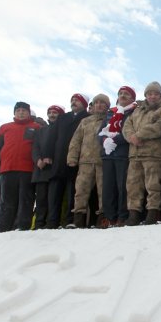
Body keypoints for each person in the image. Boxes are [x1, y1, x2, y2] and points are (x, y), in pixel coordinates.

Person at [123, 82, 161, 225]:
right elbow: (127, 125)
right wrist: (131, 137)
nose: (153, 96)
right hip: (135, 154)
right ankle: (134, 215)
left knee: (153, 185)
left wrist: (140, 135)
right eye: (150, 94)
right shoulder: (137, 110)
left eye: (156, 94)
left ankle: (153, 213)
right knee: (132, 186)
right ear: (146, 95)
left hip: (154, 154)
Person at [0, 102, 40, 232]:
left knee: (26, 199)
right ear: (14, 113)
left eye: (24, 110)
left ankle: (22, 226)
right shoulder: (5, 127)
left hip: (28, 169)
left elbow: (40, 147)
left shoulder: (37, 127)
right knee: (6, 200)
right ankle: (1, 227)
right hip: (8, 169)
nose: (21, 112)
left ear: (29, 113)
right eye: (18, 110)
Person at [43, 93, 90, 228]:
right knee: (54, 194)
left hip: (77, 161)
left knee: (73, 193)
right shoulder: (63, 118)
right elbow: (52, 136)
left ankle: (69, 221)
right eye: (72, 100)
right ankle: (52, 222)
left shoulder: (87, 118)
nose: (74, 102)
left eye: (77, 100)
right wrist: (48, 154)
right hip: (58, 160)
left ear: (84, 104)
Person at [67, 94, 110, 228]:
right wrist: (72, 157)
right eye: (96, 103)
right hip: (85, 162)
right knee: (80, 191)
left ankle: (103, 219)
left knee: (104, 191)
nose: (99, 105)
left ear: (107, 106)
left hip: (103, 161)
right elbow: (76, 140)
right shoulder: (85, 121)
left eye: (102, 103)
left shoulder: (110, 120)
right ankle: (78, 220)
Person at [98, 86, 137, 227]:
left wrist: (115, 140)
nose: (122, 96)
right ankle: (110, 217)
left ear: (132, 98)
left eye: (126, 94)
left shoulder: (134, 112)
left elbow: (131, 131)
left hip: (123, 154)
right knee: (107, 187)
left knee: (122, 187)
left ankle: (122, 216)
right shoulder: (110, 114)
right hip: (108, 155)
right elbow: (100, 132)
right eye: (120, 93)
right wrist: (105, 141)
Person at [31, 105, 63, 229]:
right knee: (41, 199)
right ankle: (39, 223)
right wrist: (38, 159)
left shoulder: (62, 130)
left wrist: (50, 158)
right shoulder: (41, 130)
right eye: (49, 112)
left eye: (55, 112)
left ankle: (52, 223)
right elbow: (35, 147)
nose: (51, 115)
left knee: (53, 199)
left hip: (55, 169)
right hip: (40, 170)